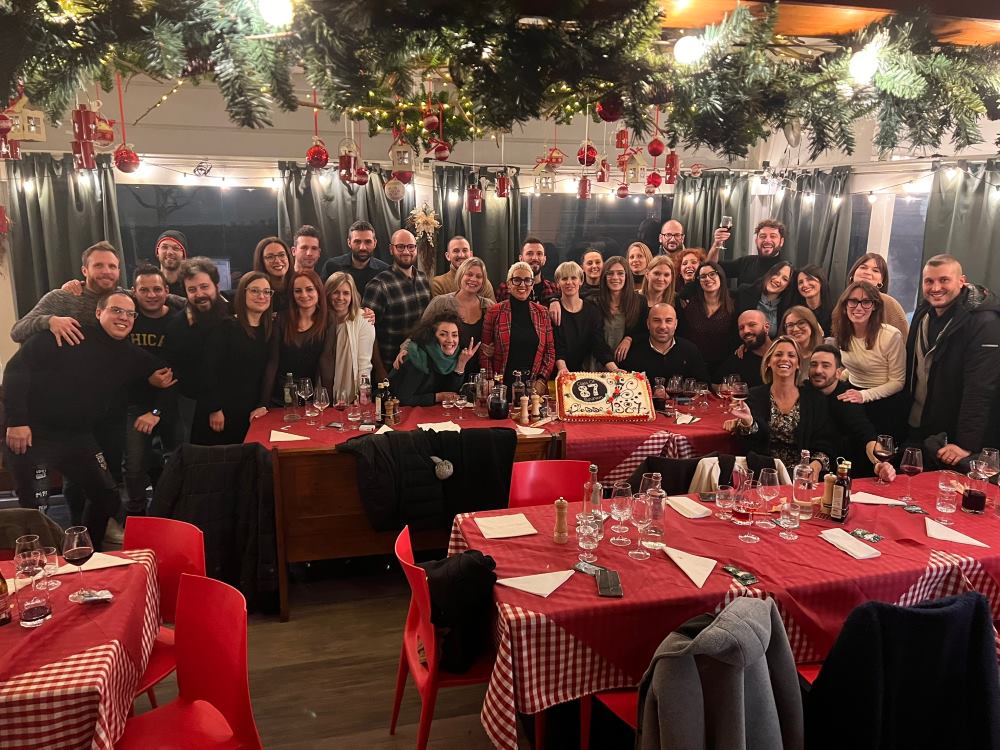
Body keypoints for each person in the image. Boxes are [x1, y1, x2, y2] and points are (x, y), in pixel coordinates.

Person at [3, 291, 175, 551]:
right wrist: (16, 421)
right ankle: (42, 563)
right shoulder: (68, 334)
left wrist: (155, 410)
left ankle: (85, 549)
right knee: (36, 507)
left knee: (106, 494)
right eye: (116, 310)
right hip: (33, 435)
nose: (124, 317)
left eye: (130, 314)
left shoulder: (130, 354)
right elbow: (16, 370)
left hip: (78, 437)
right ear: (98, 313)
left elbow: (168, 375)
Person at [906, 255, 1000, 467]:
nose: (935, 287)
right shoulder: (924, 312)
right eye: (929, 281)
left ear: (961, 281)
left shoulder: (985, 321)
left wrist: (966, 443)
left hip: (954, 437)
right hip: (921, 426)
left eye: (944, 280)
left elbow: (981, 388)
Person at [726, 336, 837, 480]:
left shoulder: (814, 399)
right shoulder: (754, 396)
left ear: (798, 364)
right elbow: (751, 445)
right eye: (778, 354)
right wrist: (748, 422)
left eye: (791, 355)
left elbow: (825, 441)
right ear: (768, 362)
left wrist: (816, 465)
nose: (784, 359)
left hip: (802, 476)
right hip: (764, 473)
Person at [124, 266, 182, 516]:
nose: (151, 295)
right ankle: (136, 517)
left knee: (176, 462)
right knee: (134, 466)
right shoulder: (126, 319)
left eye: (157, 289)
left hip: (169, 403)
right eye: (144, 290)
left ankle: (170, 513)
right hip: (134, 405)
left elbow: (178, 373)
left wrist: (157, 411)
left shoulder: (179, 321)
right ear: (134, 292)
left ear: (167, 291)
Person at [192, 273, 274, 445]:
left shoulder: (268, 331)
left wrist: (262, 405)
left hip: (250, 412)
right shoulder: (225, 327)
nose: (261, 296)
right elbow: (208, 370)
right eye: (255, 291)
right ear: (242, 293)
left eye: (267, 292)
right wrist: (214, 409)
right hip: (221, 412)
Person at [162, 257, 233, 440]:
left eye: (204, 287)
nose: (200, 294)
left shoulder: (232, 313)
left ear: (216, 286)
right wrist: (214, 407)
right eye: (192, 290)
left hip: (236, 402)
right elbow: (189, 372)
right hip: (196, 408)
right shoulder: (176, 327)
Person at [807, 345, 897, 481]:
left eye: (825, 366)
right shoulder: (803, 393)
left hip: (841, 473)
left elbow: (866, 434)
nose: (818, 370)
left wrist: (878, 463)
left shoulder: (847, 398)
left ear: (838, 373)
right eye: (814, 365)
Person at [831, 281, 907, 439]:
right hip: (853, 394)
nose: (858, 307)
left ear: (875, 306)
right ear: (845, 305)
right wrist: (838, 376)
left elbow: (898, 382)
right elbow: (857, 364)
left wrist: (864, 396)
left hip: (884, 403)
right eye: (853, 301)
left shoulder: (891, 336)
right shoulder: (842, 331)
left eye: (866, 302)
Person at [11, 240, 122, 345]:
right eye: (98, 265)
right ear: (85, 271)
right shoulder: (61, 297)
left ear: (118, 271)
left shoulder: (126, 299)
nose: (106, 271)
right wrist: (49, 321)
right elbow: (17, 332)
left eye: (112, 266)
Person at [260, 269, 336, 405]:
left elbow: (326, 361)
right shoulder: (281, 319)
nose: (304, 295)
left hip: (308, 394)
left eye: (309, 289)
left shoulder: (328, 319)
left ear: (318, 291)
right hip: (280, 393)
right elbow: (273, 362)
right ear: (292, 294)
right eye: (298, 291)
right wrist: (263, 404)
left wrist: (328, 402)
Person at [405, 257, 493, 374]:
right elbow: (420, 332)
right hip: (445, 371)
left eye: (478, 276)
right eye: (469, 274)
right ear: (461, 275)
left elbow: (497, 339)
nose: (473, 279)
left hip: (478, 372)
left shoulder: (489, 306)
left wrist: (493, 348)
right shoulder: (441, 302)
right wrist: (405, 349)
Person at [481, 261, 555, 394]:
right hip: (501, 386)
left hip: (534, 386)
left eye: (527, 280)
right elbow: (485, 352)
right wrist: (490, 381)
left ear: (532, 284)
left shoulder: (542, 312)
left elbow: (549, 352)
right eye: (517, 280)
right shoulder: (494, 312)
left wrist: (541, 380)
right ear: (509, 284)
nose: (522, 285)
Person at [362, 229, 431, 367]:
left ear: (416, 249)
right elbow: (367, 333)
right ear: (391, 249)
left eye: (411, 247)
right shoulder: (378, 285)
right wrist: (380, 369)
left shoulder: (423, 279)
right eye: (400, 247)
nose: (406, 251)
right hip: (391, 365)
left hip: (420, 361)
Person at [390, 312, 481, 406]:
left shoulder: (456, 355)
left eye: (454, 335)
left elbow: (450, 393)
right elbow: (402, 399)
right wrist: (438, 397)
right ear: (432, 336)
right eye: (443, 334)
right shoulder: (418, 357)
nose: (450, 340)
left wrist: (461, 364)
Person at [551, 261, 617, 375]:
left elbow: (598, 344)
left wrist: (615, 369)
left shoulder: (592, 310)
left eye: (573, 278)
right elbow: (556, 345)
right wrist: (562, 368)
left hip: (581, 372)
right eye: (564, 278)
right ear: (558, 283)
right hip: (555, 372)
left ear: (581, 281)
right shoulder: (552, 310)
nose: (569, 282)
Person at [622, 302, 709, 382]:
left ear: (676, 324)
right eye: (657, 320)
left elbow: (703, 385)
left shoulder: (690, 350)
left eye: (668, 321)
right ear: (648, 323)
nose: (663, 326)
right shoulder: (632, 352)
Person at [678, 261, 737, 375]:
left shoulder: (734, 305)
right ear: (698, 281)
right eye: (703, 276)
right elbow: (682, 335)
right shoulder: (689, 305)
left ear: (720, 276)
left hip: (725, 368)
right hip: (693, 367)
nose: (708, 279)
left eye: (712, 274)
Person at [325, 272, 375, 399]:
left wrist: (364, 397)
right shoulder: (320, 320)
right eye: (336, 292)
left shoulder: (364, 319)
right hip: (322, 392)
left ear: (352, 296)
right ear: (328, 293)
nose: (340, 297)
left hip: (351, 395)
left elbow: (364, 365)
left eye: (346, 293)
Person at [594, 256, 650, 364]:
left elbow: (644, 332)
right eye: (610, 273)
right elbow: (595, 338)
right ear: (604, 277)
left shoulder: (640, 301)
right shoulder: (594, 302)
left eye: (620, 273)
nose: (615, 277)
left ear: (627, 276)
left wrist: (629, 338)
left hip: (627, 363)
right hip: (598, 363)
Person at [847, 253, 908, 337]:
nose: (867, 272)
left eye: (875, 271)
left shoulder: (889, 303)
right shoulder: (843, 299)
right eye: (863, 267)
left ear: (881, 280)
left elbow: (903, 338)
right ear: (853, 274)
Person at [708, 219, 785, 286]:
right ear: (756, 241)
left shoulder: (786, 270)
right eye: (762, 236)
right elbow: (711, 267)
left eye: (773, 236)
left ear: (781, 242)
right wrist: (716, 244)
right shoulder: (746, 262)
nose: (767, 240)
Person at [321, 219, 390, 291]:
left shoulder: (385, 271)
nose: (362, 247)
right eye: (357, 242)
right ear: (349, 243)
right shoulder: (331, 266)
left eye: (368, 242)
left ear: (375, 243)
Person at [430, 235, 496, 301]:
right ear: (448, 256)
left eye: (465, 250)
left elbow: (492, 307)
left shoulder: (483, 283)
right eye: (456, 251)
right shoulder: (438, 283)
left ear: (471, 255)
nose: (461, 255)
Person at [716, 310, 772, 386]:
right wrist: (724, 388)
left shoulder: (783, 354)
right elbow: (714, 384)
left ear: (766, 327)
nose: (746, 331)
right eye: (741, 328)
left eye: (752, 325)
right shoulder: (739, 357)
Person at [735, 260, 794, 333]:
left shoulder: (788, 309)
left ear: (788, 286)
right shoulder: (744, 292)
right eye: (776, 274)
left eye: (785, 279)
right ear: (769, 273)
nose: (777, 280)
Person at [496, 238, 558, 304]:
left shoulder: (553, 288)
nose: (535, 258)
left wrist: (554, 300)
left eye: (539, 254)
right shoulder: (505, 288)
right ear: (521, 258)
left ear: (544, 259)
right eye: (529, 253)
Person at [252, 236, 292, 311]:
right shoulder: (254, 292)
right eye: (270, 257)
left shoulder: (299, 285)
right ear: (261, 261)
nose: (277, 261)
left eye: (282, 255)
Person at [792, 264, 834, 334]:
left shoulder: (835, 313)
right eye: (800, 282)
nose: (805, 285)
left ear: (821, 281)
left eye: (809, 279)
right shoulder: (795, 313)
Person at [154, 230, 189, 296]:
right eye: (164, 247)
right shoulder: (149, 283)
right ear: (157, 252)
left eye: (176, 248)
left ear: (184, 255)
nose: (169, 252)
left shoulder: (191, 284)